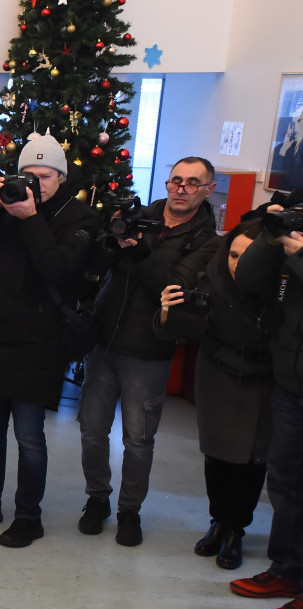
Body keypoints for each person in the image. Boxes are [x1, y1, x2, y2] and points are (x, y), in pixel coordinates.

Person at [0, 133, 97, 547]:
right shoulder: (8, 205)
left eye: (44, 176)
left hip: (39, 342)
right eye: (28, 174)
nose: (35, 184)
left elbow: (57, 269)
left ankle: (29, 515)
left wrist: (30, 218)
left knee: (29, 437)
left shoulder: (78, 218)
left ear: (61, 177)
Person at [77, 156, 218, 546]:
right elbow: (98, 265)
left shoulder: (207, 241)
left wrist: (138, 251)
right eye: (176, 180)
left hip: (149, 350)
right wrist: (113, 241)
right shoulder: (139, 217)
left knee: (138, 440)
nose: (181, 189)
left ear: (208, 189)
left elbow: (173, 288)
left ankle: (129, 511)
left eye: (192, 183)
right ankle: (97, 499)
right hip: (104, 341)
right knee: (92, 431)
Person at [154, 219, 272, 570]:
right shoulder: (211, 280)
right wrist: (167, 312)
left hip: (263, 380)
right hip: (218, 375)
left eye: (248, 256)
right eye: (233, 255)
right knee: (218, 454)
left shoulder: (280, 289)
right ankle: (219, 521)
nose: (238, 264)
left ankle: (236, 529)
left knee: (252, 459)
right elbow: (182, 329)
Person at [228, 204, 303, 609]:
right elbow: (249, 278)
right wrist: (272, 233)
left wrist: (300, 256)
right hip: (290, 382)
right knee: (285, 483)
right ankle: (287, 569)